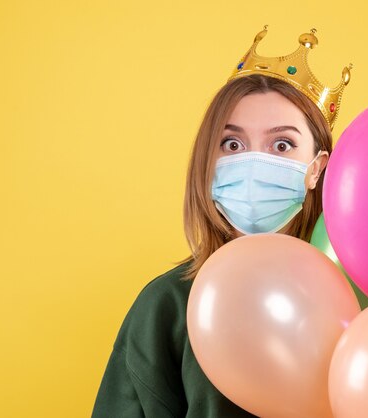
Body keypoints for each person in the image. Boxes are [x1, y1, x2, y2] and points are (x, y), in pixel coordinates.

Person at [91, 26, 352, 418]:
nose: (252, 163)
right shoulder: (167, 307)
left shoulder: (357, 301)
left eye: (282, 145)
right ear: (209, 163)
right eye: (232, 144)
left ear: (317, 169)